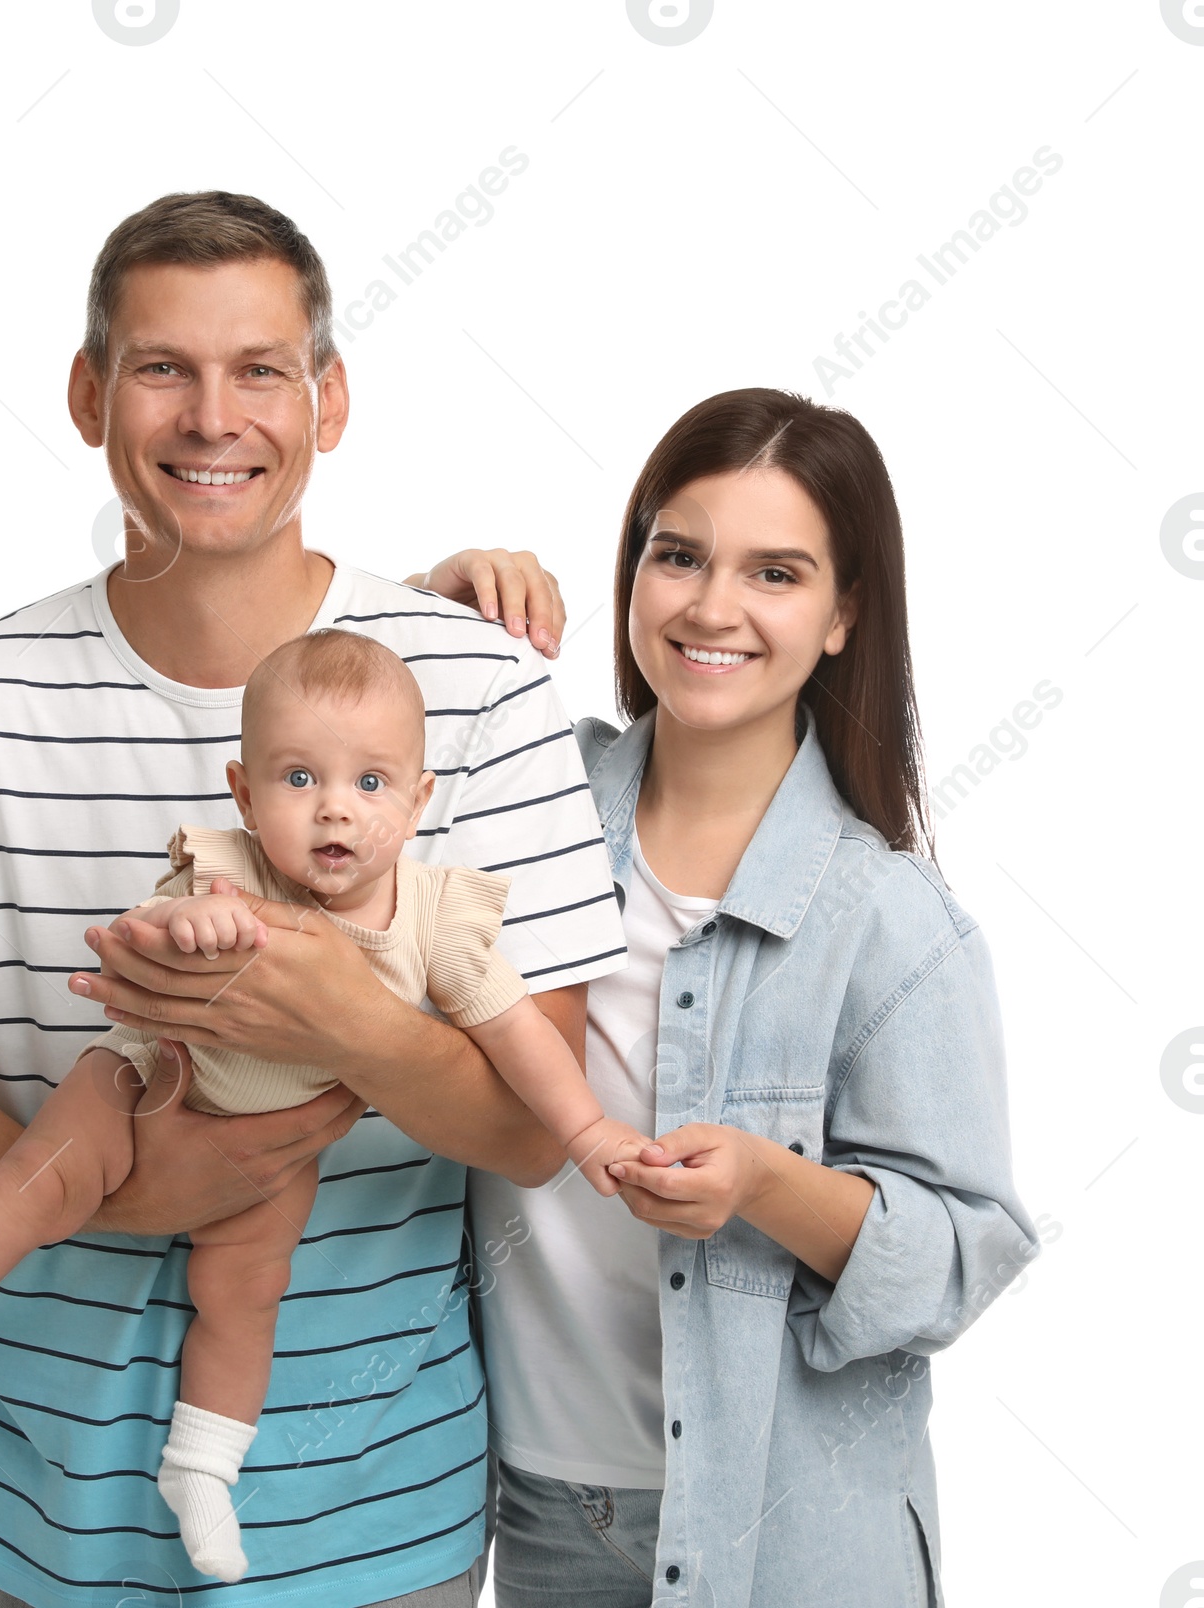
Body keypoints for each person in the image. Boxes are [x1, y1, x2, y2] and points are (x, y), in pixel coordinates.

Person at [0, 190, 626, 1608]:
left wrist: (347, 1024)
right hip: (33, 1518)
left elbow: (526, 1129)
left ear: (330, 398)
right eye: (162, 367)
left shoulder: (479, 686)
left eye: (260, 370)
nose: (211, 417)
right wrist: (133, 1189)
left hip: (381, 1517)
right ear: (89, 393)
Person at [0, 629, 646, 1585]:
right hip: (140, 1085)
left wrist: (587, 1130)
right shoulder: (229, 874)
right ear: (244, 794)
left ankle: (202, 1467)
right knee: (37, 1178)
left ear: (420, 803)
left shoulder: (433, 917)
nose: (335, 807)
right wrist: (186, 922)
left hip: (277, 1154)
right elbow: (146, 933)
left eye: (371, 784)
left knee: (245, 1298)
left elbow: (514, 1030)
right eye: (298, 780)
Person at [441, 389, 1039, 1606]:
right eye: (679, 556)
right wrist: (425, 623)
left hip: (788, 1537)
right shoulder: (526, 808)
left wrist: (766, 1185)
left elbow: (964, 1256)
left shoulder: (889, 919)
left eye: (775, 573)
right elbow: (318, 775)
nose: (712, 607)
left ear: (841, 616)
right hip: (540, 1514)